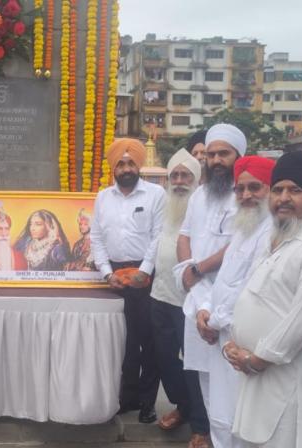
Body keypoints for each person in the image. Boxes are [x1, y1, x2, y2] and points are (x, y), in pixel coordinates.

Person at [225, 150, 302, 447]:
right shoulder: (278, 236)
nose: (283, 198)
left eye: (296, 190)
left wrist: (257, 358)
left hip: (291, 382)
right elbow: (252, 295)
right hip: (257, 375)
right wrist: (234, 341)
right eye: (278, 189)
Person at [175, 123, 243, 448]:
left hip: (230, 302)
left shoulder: (247, 194)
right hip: (197, 301)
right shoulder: (199, 195)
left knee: (231, 391)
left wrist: (198, 268)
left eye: (223, 154)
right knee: (205, 384)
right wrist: (190, 274)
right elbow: (185, 235)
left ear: (238, 157)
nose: (215, 160)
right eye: (211, 154)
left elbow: (243, 245)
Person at [200, 156, 275, 448]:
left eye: (255, 188)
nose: (246, 196)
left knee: (240, 420)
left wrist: (213, 320)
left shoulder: (271, 232)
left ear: (270, 189)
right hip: (221, 335)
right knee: (220, 414)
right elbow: (223, 280)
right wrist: (205, 309)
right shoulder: (244, 228)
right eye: (239, 189)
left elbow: (249, 288)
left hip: (243, 340)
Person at [90, 138, 165, 424]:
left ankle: (148, 402)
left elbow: (159, 236)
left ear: (139, 164)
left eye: (131, 162)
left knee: (149, 341)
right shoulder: (103, 197)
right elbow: (96, 238)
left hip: (146, 276)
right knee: (125, 342)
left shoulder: (156, 194)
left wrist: (144, 271)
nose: (126, 168)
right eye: (120, 163)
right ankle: (128, 397)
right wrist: (107, 273)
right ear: (113, 167)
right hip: (115, 278)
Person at [149, 149, 204, 436]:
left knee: (193, 363)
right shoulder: (166, 205)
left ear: (197, 179)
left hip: (190, 301)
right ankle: (183, 406)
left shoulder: (204, 207)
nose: (180, 181)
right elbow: (156, 243)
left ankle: (200, 424)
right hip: (160, 294)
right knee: (166, 358)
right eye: (175, 175)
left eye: (186, 175)